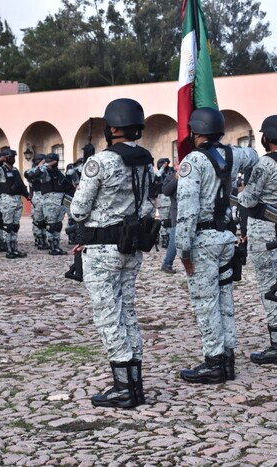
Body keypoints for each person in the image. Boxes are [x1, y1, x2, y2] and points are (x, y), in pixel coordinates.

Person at [69, 98, 157, 409]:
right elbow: (148, 204)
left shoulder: (100, 162)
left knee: (108, 315)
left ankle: (122, 386)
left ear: (114, 127)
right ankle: (136, 382)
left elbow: (79, 209)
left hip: (102, 248)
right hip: (131, 246)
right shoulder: (146, 161)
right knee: (128, 312)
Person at [176, 107, 258, 384]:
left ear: (197, 132)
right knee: (225, 301)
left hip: (202, 240)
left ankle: (213, 361)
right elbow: (255, 157)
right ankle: (228, 357)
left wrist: (183, 249)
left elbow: (187, 209)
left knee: (206, 303)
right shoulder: (234, 155)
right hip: (226, 237)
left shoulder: (193, 162)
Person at [237, 115, 277, 365]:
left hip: (264, 230)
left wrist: (240, 193)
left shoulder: (265, 164)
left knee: (268, 285)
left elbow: (249, 200)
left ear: (268, 138)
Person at [0, 148, 30, 259]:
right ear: (5, 158)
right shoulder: (0, 170)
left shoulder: (15, 170)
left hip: (17, 200)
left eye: (14, 157)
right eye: (11, 156)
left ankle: (14, 247)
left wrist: (27, 195)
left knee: (15, 226)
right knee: (8, 226)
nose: (13, 159)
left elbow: (21, 184)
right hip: (7, 200)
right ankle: (8, 249)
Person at [40, 153, 73, 255]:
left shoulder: (58, 172)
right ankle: (52, 247)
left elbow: (67, 185)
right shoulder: (44, 172)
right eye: (52, 161)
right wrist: (44, 165)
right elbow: (29, 174)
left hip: (60, 201)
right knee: (51, 225)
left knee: (58, 225)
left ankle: (57, 245)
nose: (55, 162)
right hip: (50, 202)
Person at [24, 153, 50, 250]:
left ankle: (44, 239)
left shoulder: (45, 170)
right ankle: (39, 239)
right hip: (37, 195)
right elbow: (31, 174)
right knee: (38, 220)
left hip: (46, 195)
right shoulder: (31, 171)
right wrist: (41, 166)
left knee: (45, 220)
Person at [157, 159, 178, 273]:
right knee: (174, 240)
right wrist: (176, 178)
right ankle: (167, 263)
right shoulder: (171, 176)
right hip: (178, 213)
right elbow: (166, 190)